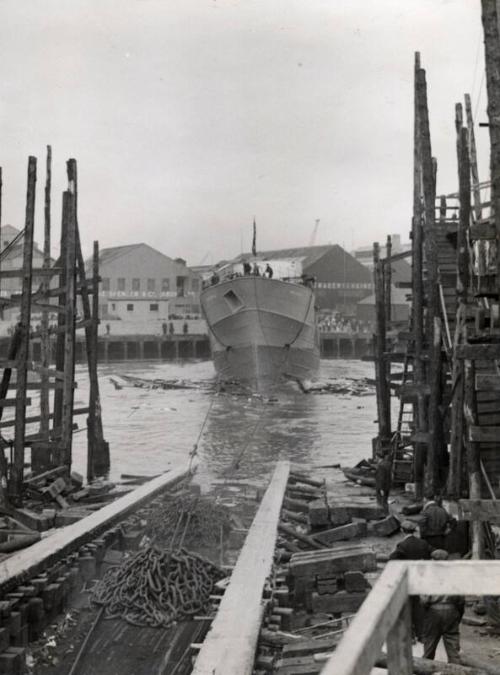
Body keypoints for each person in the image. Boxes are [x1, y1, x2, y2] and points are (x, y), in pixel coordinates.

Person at [421, 549, 464, 663]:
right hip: (451, 610)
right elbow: (460, 599)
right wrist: (457, 614)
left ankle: (425, 669)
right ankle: (456, 671)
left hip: (434, 611)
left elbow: (424, 600)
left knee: (429, 646)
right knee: (453, 648)